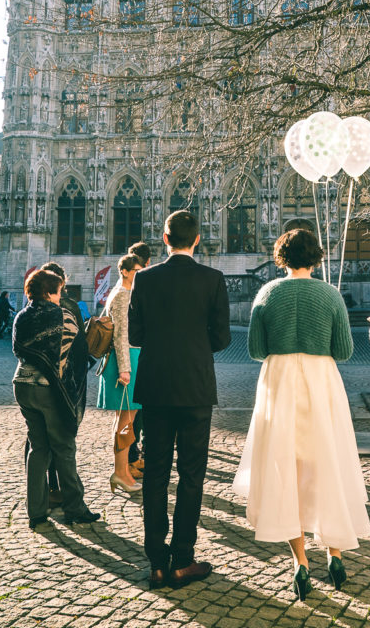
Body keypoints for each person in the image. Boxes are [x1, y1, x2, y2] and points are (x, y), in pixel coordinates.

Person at [234, 228, 370, 599]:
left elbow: (255, 350)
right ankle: (335, 554)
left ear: (282, 257)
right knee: (328, 462)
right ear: (316, 257)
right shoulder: (329, 294)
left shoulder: (267, 293)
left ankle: (300, 563)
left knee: (284, 467)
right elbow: (344, 351)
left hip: (279, 382)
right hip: (320, 381)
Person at [129, 210, 231, 589]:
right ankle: (183, 559)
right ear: (198, 239)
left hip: (155, 387)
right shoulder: (212, 279)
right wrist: (195, 344)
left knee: (155, 473)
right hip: (194, 388)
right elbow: (222, 338)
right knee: (191, 475)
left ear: (165, 239)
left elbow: (135, 336)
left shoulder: (144, 278)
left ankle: (156, 562)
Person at [12, 268, 98, 528]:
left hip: (22, 384)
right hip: (50, 389)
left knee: (38, 447)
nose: (61, 296)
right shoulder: (63, 316)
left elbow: (19, 349)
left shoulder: (21, 316)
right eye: (59, 291)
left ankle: (36, 512)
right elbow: (78, 354)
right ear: (49, 292)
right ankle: (75, 508)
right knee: (64, 447)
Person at [36, 262, 89, 509]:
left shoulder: (31, 309)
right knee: (63, 437)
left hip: (36, 383)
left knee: (39, 441)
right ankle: (69, 498)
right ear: (62, 282)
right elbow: (80, 347)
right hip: (65, 382)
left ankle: (43, 493)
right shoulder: (69, 306)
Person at [96, 254, 143, 496]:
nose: (139, 275)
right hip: (126, 362)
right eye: (136, 271)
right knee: (126, 422)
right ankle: (121, 472)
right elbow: (121, 336)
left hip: (125, 361)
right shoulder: (123, 294)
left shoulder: (120, 292)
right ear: (124, 271)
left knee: (124, 421)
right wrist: (125, 369)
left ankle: (122, 470)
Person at [126, 241, 151, 480]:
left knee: (138, 414)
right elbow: (124, 336)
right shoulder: (124, 293)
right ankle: (130, 460)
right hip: (131, 361)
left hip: (138, 359)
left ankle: (135, 456)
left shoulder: (131, 289)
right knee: (131, 417)